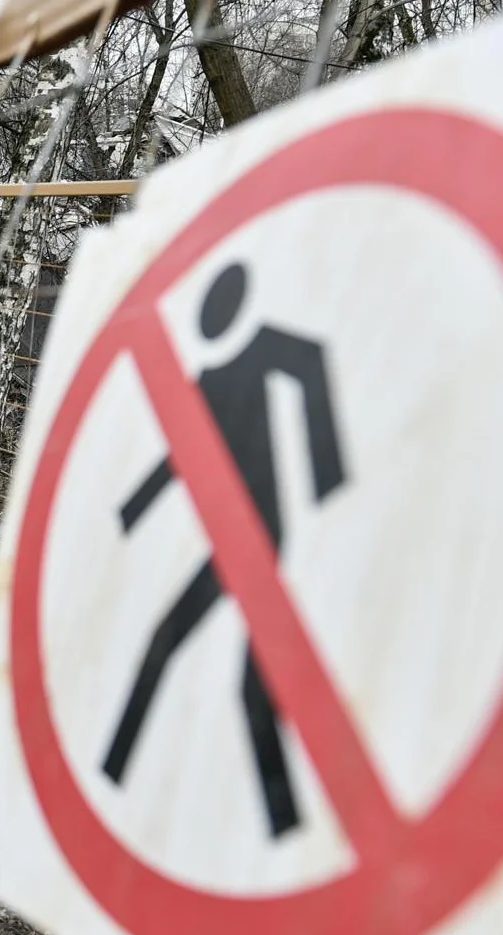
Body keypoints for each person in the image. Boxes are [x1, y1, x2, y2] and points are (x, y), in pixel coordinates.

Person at [102, 263, 347, 838]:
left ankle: (285, 827)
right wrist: (131, 510)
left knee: (232, 677)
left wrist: (326, 480)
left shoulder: (266, 348)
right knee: (187, 655)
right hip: (233, 539)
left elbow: (311, 366)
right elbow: (177, 455)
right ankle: (115, 778)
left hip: (261, 535)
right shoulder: (208, 380)